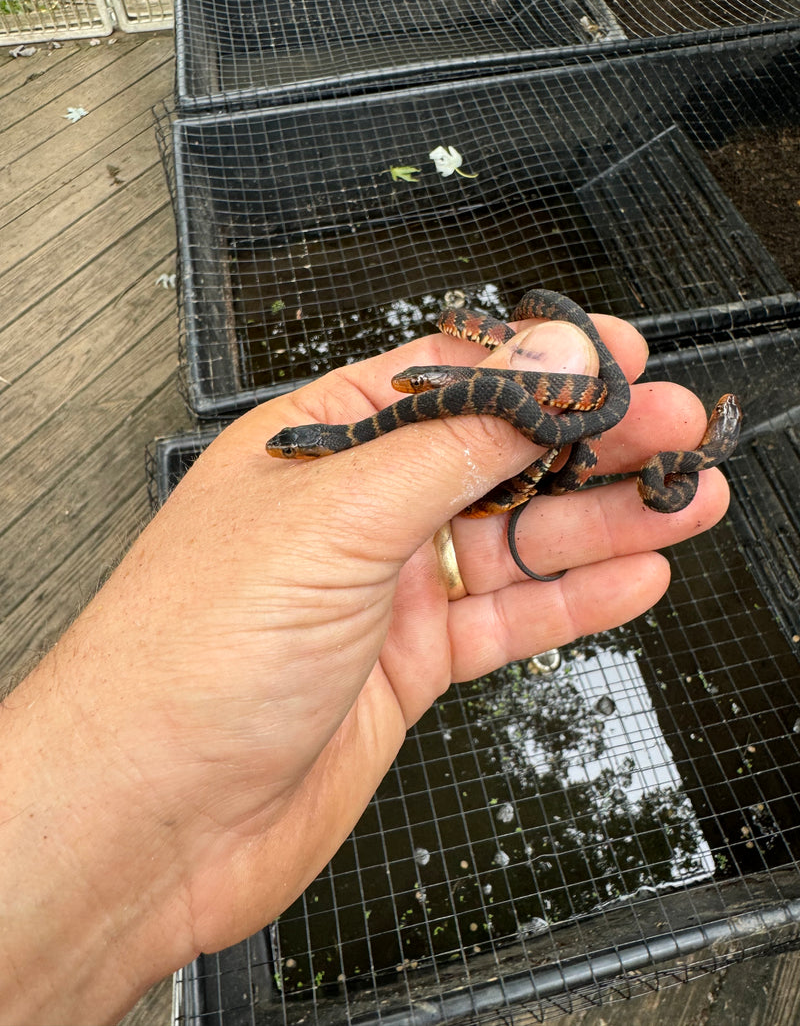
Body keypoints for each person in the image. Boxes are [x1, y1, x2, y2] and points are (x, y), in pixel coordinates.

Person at [0, 309, 730, 1024]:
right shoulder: (366, 438)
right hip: (475, 533)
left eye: (295, 448)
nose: (291, 451)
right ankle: (680, 460)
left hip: (527, 440)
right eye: (296, 448)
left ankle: (684, 460)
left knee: (585, 421)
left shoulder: (389, 424)